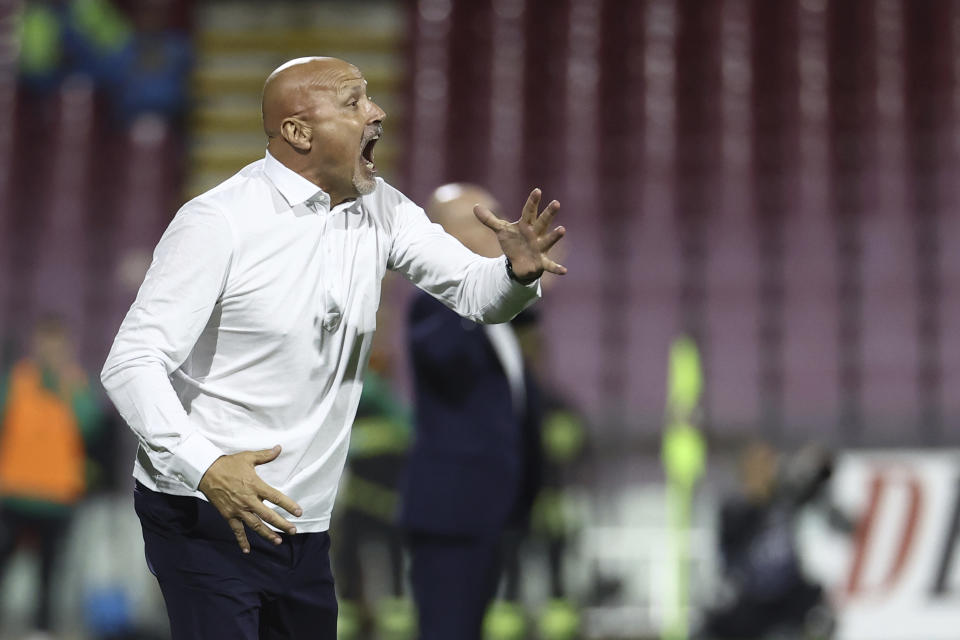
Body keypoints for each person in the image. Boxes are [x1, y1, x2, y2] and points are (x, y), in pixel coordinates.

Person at [100, 57, 568, 640]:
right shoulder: (218, 221)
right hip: (208, 511)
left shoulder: (384, 208)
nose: (378, 112)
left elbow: (478, 296)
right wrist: (208, 466)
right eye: (354, 102)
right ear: (298, 131)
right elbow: (131, 363)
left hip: (305, 522)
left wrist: (515, 275)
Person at [397, 184, 545, 640]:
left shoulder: (506, 319)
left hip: (491, 511)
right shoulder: (433, 305)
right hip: (451, 513)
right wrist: (475, 288)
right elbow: (445, 360)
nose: (505, 230)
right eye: (489, 221)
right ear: (448, 236)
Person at [0, 314, 103, 636]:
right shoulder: (15, 380)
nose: (49, 351)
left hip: (58, 497)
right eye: (44, 344)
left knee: (50, 571)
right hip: (14, 493)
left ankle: (41, 630)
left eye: (56, 345)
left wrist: (64, 387)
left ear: (66, 348)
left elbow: (90, 426)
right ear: (35, 345)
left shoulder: (76, 384)